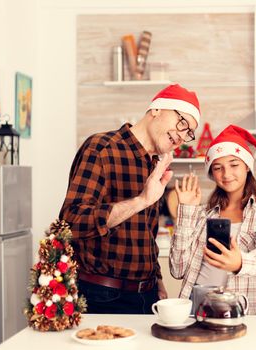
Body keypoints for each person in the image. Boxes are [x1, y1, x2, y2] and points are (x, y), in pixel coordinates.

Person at [59, 84, 200, 314]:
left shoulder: (155, 164)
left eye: (188, 133)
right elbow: (71, 222)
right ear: (156, 110)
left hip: (147, 295)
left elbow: (145, 233)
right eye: (182, 123)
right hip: (102, 297)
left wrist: (157, 278)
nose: (182, 136)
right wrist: (141, 200)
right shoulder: (101, 149)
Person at [169, 125, 256, 315]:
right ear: (212, 173)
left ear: (247, 166)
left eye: (234, 164)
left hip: (244, 308)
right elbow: (177, 269)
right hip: (198, 305)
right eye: (218, 167)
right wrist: (186, 212)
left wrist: (238, 263)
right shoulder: (202, 214)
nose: (226, 174)